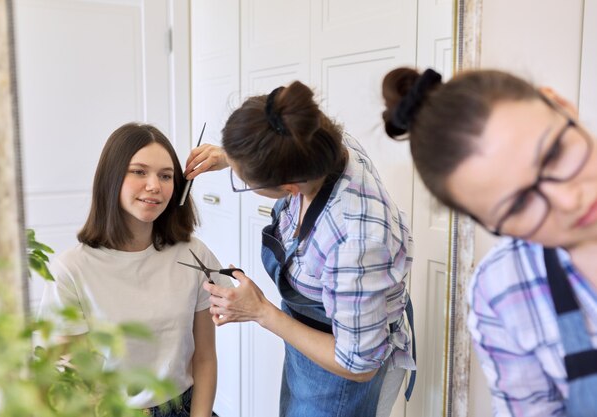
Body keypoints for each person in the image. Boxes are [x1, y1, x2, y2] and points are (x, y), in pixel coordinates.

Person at [184, 81, 415, 417]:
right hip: (318, 335)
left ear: (290, 186)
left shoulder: (354, 241)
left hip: (346, 367)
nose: (239, 178)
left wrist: (261, 311)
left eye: (244, 179)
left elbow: (359, 364)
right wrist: (232, 155)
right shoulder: (317, 141)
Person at [381, 67, 597, 416]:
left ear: (561, 106)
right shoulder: (504, 289)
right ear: (490, 223)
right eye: (520, 204)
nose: (568, 201)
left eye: (554, 153)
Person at [37, 122, 229, 417]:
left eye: (166, 176)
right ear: (111, 179)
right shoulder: (71, 270)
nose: (154, 185)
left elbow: (204, 358)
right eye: (139, 172)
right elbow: (67, 379)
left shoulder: (194, 254)